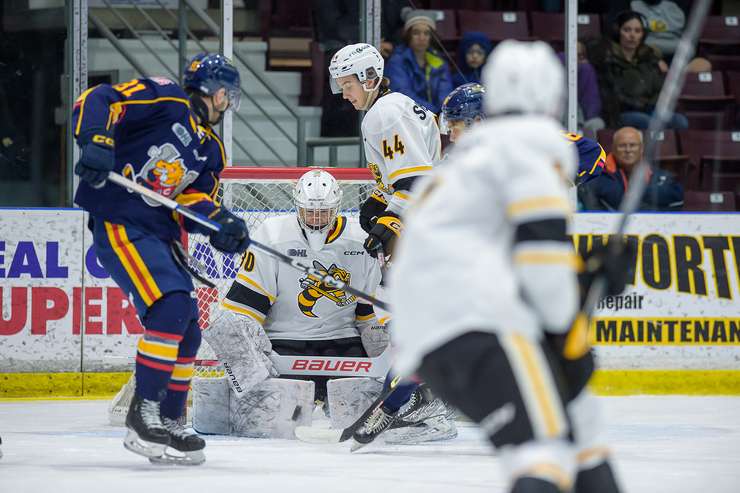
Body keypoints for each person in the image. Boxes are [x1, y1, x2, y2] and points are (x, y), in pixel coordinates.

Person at [390, 40, 623, 493]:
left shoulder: (461, 169)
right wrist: (579, 308)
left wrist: (578, 287)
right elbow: (547, 287)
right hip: (478, 326)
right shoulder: (530, 159)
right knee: (546, 450)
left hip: (427, 340)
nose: (452, 133)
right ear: (553, 98)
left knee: (580, 427)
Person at [72, 53, 250, 464]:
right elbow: (99, 99)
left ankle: (170, 418)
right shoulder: (165, 98)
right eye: (227, 95)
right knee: (170, 307)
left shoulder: (210, 148)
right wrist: (97, 139)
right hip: (121, 220)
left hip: (158, 233)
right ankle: (144, 412)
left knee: (187, 325)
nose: (227, 104)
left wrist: (222, 223)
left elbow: (191, 199)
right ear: (216, 91)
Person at [329, 43, 457, 447]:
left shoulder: (383, 113)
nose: (343, 93)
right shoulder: (396, 105)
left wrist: (390, 218)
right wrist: (380, 203)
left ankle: (422, 405)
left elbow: (414, 182)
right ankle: (420, 400)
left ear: (368, 78)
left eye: (347, 84)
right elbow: (408, 178)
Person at [198, 169, 386, 438]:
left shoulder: (361, 240)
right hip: (283, 349)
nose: (316, 219)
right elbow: (243, 309)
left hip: (342, 348)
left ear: (337, 208)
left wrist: (386, 357)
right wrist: (251, 364)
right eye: (310, 212)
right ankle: (244, 403)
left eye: (324, 212)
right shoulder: (272, 235)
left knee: (370, 418)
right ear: (297, 206)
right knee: (228, 327)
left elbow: (367, 314)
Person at [591, 10, 688, 129]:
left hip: (649, 110)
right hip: (621, 113)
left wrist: (651, 105)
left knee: (680, 121)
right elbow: (614, 94)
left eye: (637, 31)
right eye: (627, 30)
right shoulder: (607, 58)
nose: (632, 35)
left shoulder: (649, 57)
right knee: (645, 121)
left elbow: (660, 89)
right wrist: (643, 105)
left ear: (643, 34)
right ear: (617, 31)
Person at [579, 126, 684, 211]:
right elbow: (616, 202)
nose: (628, 150)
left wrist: (638, 192)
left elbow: (677, 197)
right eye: (622, 146)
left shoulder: (658, 175)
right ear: (613, 149)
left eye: (633, 145)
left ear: (642, 149)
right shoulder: (598, 176)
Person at [384, 10, 454, 114]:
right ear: (408, 35)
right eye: (416, 33)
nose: (422, 38)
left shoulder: (439, 62)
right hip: (407, 117)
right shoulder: (396, 61)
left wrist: (443, 113)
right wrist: (434, 113)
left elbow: (445, 93)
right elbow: (403, 94)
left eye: (426, 33)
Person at [557, 42, 605, 139]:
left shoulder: (586, 70)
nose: (575, 59)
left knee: (597, 124)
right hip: (557, 121)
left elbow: (591, 106)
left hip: (580, 120)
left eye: (580, 56)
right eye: (572, 54)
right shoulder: (554, 67)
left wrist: (585, 73)